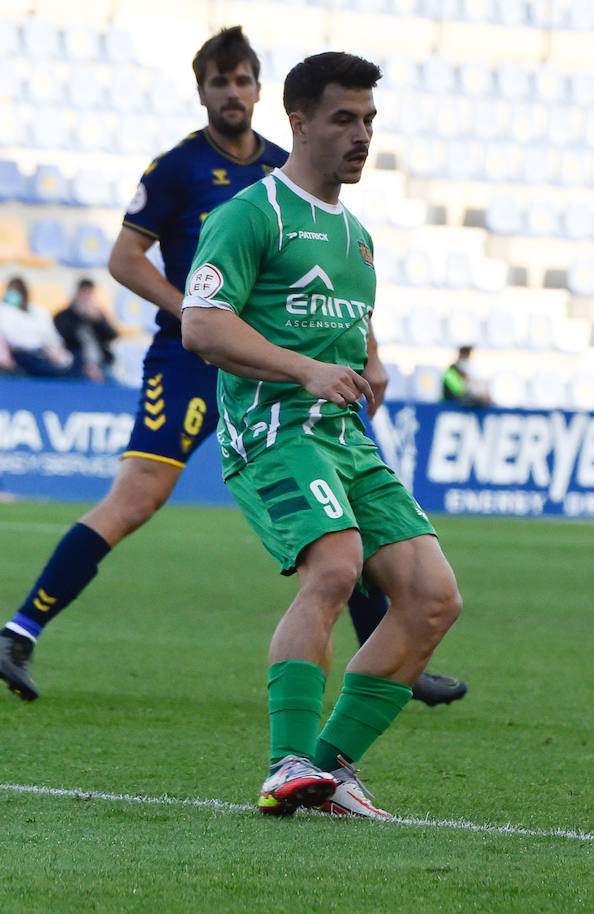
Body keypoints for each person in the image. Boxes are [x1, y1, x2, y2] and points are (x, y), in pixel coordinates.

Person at [0, 27, 466, 708]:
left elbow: (337, 275)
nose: (232, 93)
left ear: (258, 89)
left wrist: (370, 352)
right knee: (137, 499)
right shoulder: (176, 169)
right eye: (219, 83)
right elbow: (125, 259)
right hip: (197, 359)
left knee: (349, 505)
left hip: (289, 370)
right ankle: (21, 629)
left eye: (242, 80)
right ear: (202, 93)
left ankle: (392, 656)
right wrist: (188, 309)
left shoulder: (290, 165)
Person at [180, 51, 463, 818]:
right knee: (335, 567)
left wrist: (372, 363)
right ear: (298, 121)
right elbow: (201, 324)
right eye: (344, 118)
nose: (361, 134)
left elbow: (353, 319)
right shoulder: (251, 214)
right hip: (271, 430)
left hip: (346, 438)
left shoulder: (359, 238)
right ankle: (286, 763)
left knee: (432, 597)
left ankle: (330, 772)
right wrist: (304, 369)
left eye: (369, 119)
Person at [0, 276, 72, 377]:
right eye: (11, 290)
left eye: (17, 290)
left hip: (45, 352)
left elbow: (51, 334)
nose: (14, 294)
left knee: (72, 363)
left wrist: (54, 347)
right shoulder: (4, 310)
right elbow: (11, 338)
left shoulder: (38, 311)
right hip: (22, 354)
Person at [53, 278, 119, 382]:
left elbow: (112, 335)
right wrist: (78, 315)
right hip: (77, 366)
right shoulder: (64, 316)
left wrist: (98, 321)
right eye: (85, 293)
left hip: (102, 365)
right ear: (78, 293)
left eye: (90, 294)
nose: (87, 297)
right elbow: (66, 337)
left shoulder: (97, 315)